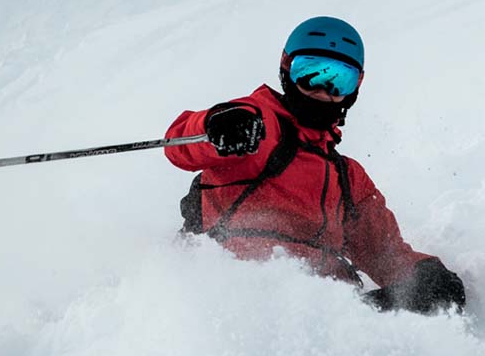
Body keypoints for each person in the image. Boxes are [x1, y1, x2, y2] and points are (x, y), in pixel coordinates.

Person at [164, 16, 465, 314]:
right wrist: (217, 126)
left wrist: (424, 275)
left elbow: (384, 255)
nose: (323, 91)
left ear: (356, 86)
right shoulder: (258, 127)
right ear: (286, 68)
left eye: (339, 80)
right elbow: (181, 145)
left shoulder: (349, 179)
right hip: (236, 295)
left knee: (417, 303)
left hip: (320, 315)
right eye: (309, 74)